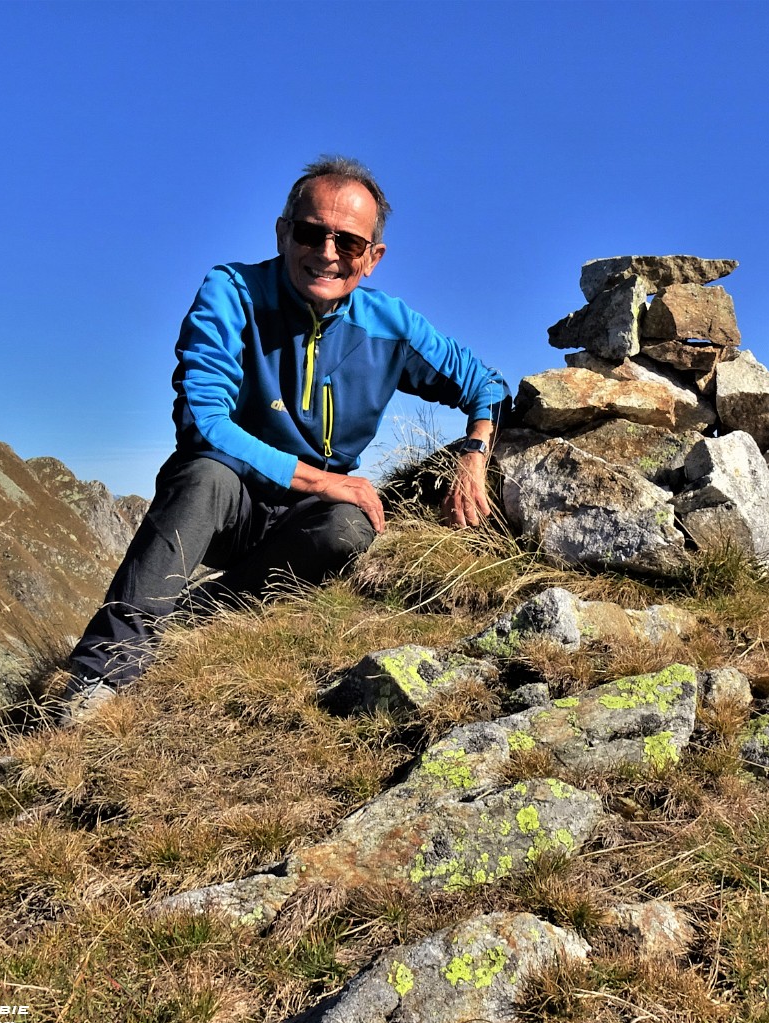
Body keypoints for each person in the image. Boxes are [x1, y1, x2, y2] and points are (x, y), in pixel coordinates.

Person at [62, 156, 508, 719]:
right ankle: (102, 675)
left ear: (372, 258)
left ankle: (202, 616)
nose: (326, 253)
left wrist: (473, 456)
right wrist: (324, 479)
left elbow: (486, 385)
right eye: (310, 232)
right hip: (231, 496)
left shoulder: (390, 324)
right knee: (203, 474)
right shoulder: (232, 293)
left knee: (351, 526)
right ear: (282, 231)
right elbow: (205, 421)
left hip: (307, 514)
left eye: (348, 243)